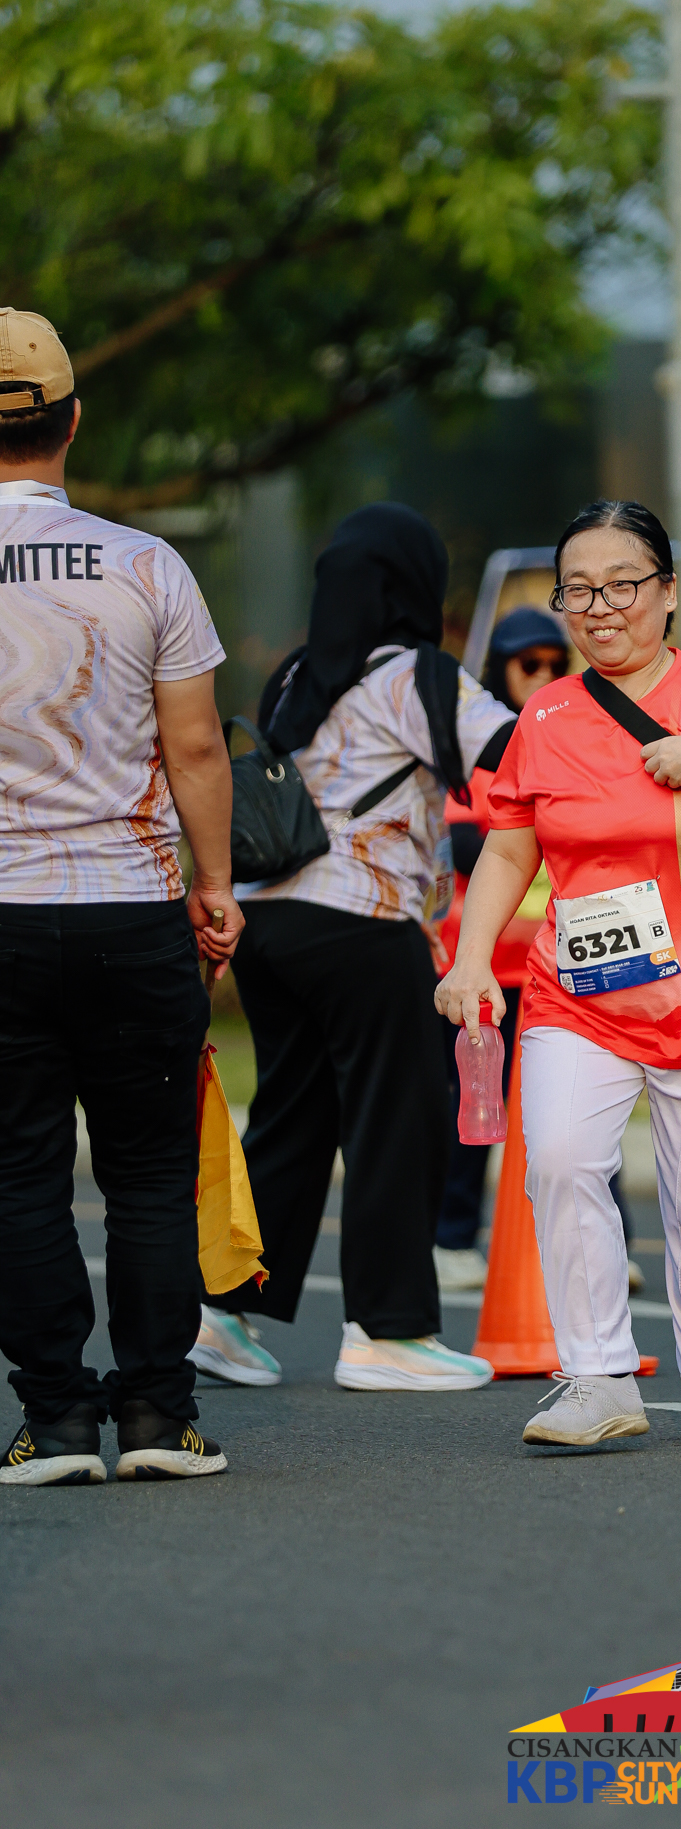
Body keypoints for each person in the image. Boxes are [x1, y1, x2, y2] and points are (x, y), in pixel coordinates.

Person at [436, 499, 681, 1448]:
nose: (600, 607)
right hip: (579, 994)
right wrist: (473, 957)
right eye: (578, 590)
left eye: (622, 586)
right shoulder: (545, 715)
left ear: (668, 592)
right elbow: (508, 848)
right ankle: (599, 1377)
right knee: (562, 1161)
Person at [190, 503, 516, 1393]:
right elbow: (518, 750)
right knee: (397, 1118)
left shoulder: (299, 675)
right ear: (415, 586)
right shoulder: (416, 673)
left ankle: (219, 1316)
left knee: (293, 1120)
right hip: (363, 923)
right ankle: (388, 1331)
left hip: (270, 925)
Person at [0, 307, 241, 1486]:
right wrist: (216, 886)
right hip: (131, 908)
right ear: (74, 420)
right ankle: (155, 1416)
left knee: (18, 1177)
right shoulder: (147, 565)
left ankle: (53, 1422)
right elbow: (194, 747)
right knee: (148, 1177)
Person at [432, 606, 645, 1295]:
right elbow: (471, 846)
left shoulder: (583, 743)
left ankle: (613, 1245)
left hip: (571, 964)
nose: (544, 674)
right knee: (476, 1104)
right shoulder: (478, 752)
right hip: (489, 971)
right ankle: (452, 1240)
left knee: (588, 1110)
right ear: (500, 669)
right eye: (530, 664)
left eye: (556, 663)